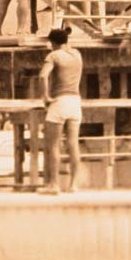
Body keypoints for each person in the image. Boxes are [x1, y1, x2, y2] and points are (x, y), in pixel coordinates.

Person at [39, 27, 83, 194]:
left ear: (52, 43)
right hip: (75, 102)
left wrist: (45, 96)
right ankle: (73, 185)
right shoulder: (77, 55)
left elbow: (43, 75)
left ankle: (53, 185)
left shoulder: (53, 55)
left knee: (53, 145)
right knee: (73, 145)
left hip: (59, 101)